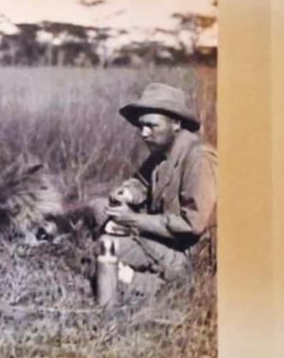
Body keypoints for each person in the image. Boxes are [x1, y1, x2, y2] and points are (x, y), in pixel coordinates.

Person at [88, 82, 217, 304]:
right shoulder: (163, 150)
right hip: (163, 240)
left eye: (151, 126)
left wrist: (133, 220)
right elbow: (141, 182)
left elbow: (192, 224)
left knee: (104, 247)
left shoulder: (199, 158)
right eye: (141, 127)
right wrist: (127, 194)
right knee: (98, 208)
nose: (144, 133)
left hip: (191, 254)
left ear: (175, 123)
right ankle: (128, 278)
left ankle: (131, 292)